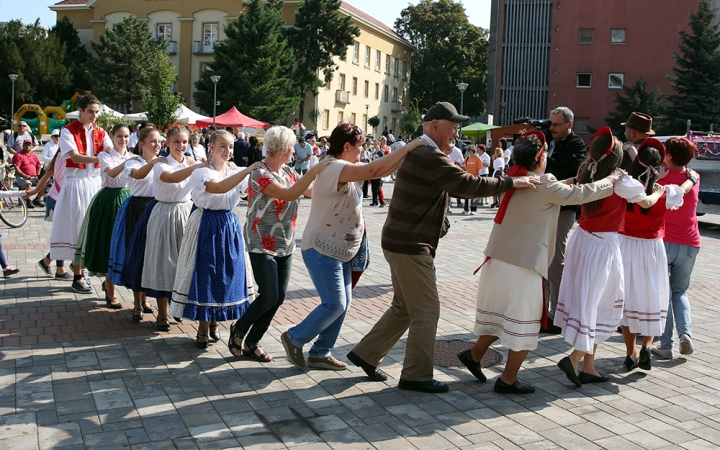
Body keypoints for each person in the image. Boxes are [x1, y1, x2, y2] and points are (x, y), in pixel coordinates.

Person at [346, 102, 538, 393]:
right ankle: (415, 375)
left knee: (404, 307)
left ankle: (365, 354)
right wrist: (512, 182)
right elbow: (469, 184)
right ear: (433, 125)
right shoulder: (428, 154)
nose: (456, 132)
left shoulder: (424, 151)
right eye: (452, 125)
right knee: (427, 310)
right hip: (410, 245)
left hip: (401, 241)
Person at [460, 130, 620, 394]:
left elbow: (560, 189)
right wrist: (611, 179)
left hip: (498, 258)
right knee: (526, 323)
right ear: (540, 157)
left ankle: (474, 355)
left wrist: (574, 178)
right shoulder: (544, 183)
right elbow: (580, 194)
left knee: (503, 318)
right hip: (523, 264)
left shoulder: (516, 176)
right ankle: (508, 379)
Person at [280, 122, 424, 372]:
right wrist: (410, 146)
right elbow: (377, 168)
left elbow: (380, 170)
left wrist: (406, 154)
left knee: (342, 304)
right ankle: (295, 337)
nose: (363, 150)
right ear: (346, 146)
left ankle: (320, 352)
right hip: (322, 249)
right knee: (334, 304)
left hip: (340, 250)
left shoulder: (343, 166)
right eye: (360, 145)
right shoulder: (336, 167)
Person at [554, 127, 662, 387]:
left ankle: (588, 366)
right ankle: (575, 357)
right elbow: (646, 202)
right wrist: (659, 191)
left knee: (589, 301)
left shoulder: (586, 170)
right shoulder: (621, 182)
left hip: (582, 239)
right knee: (604, 301)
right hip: (603, 244)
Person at [227, 126, 332, 360]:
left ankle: (252, 342)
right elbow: (289, 194)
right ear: (283, 148)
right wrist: (314, 170)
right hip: (260, 241)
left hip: (285, 241)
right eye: (292, 146)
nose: (294, 150)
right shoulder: (259, 173)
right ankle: (239, 330)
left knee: (279, 297)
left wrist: (336, 187)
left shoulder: (289, 172)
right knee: (269, 295)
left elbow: (309, 192)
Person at [170, 131, 260, 348]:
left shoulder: (235, 170)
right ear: (210, 146)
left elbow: (250, 190)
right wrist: (247, 170)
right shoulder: (202, 172)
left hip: (228, 224)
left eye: (230, 147)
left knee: (225, 273)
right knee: (206, 273)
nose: (227, 151)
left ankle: (215, 322)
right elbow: (217, 188)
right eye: (222, 146)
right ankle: (203, 326)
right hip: (205, 224)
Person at [619, 138, 697, 371]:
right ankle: (647, 347)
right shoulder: (666, 190)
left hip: (627, 244)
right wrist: (691, 179)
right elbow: (682, 190)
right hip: (652, 245)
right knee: (653, 296)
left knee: (628, 299)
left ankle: (630, 352)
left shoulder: (627, 185)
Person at [126, 127, 205, 332]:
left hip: (186, 212)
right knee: (164, 262)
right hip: (164, 214)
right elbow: (171, 178)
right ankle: (161, 313)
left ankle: (176, 306)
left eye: (185, 142)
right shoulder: (161, 164)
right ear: (167, 143)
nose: (181, 146)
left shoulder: (191, 163)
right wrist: (196, 167)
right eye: (176, 142)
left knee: (183, 262)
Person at [49, 94, 112, 294]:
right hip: (76, 184)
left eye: (96, 112)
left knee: (96, 229)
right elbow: (75, 156)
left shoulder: (101, 132)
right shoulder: (68, 131)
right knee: (77, 229)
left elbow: (113, 151)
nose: (94, 115)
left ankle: (93, 272)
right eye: (91, 111)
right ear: (81, 111)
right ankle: (78, 275)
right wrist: (101, 157)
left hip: (95, 183)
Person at [73, 124, 136, 309]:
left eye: (126, 136)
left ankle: (138, 296)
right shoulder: (105, 155)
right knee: (109, 244)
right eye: (119, 136)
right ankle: (111, 292)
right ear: (112, 136)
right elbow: (112, 173)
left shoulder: (133, 156)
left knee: (130, 246)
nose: (123, 140)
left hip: (128, 199)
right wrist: (128, 163)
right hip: (108, 200)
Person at [109, 126, 165, 322]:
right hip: (137, 208)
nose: (157, 145)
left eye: (159, 141)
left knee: (154, 255)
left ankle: (147, 299)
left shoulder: (164, 162)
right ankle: (137, 302)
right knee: (137, 254)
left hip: (157, 208)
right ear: (141, 144)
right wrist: (156, 163)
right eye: (152, 141)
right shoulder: (132, 161)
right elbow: (138, 175)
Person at [653, 138, 701, 360]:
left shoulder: (659, 179)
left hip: (664, 242)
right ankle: (686, 334)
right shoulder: (694, 177)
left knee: (664, 293)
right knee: (680, 292)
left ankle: (665, 345)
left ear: (669, 156)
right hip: (690, 243)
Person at [543, 106, 588, 333]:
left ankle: (556, 315)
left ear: (569, 124)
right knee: (543, 260)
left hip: (563, 209)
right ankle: (543, 312)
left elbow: (567, 171)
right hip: (543, 207)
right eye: (550, 124)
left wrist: (547, 172)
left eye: (556, 125)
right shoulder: (548, 141)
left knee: (555, 262)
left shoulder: (576, 145)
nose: (551, 129)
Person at [36, 151, 73, 280]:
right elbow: (48, 174)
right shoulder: (66, 156)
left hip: (57, 197)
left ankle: (49, 262)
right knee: (63, 235)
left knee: (65, 234)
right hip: (59, 198)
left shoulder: (61, 154)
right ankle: (59, 269)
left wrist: (35, 191)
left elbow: (48, 174)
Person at [12, 140, 43, 208]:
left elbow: (39, 166)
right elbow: (16, 169)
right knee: (27, 183)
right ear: (23, 146)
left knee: (43, 182)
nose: (28, 146)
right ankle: (28, 200)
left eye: (29, 145)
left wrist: (37, 175)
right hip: (21, 176)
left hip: (33, 176)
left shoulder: (34, 155)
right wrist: (25, 176)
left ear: (32, 146)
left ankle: (38, 199)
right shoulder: (18, 155)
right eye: (26, 145)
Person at [462, 145, 483, 214]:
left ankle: (474, 209)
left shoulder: (478, 159)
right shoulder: (467, 158)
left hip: (474, 178)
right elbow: (464, 167)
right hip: (467, 177)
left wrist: (478, 178)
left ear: (473, 151)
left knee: (474, 194)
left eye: (470, 151)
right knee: (466, 194)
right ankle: (466, 209)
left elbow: (479, 169)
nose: (468, 152)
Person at [370, 141, 386, 207]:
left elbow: (383, 163)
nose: (375, 145)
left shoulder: (381, 153)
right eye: (374, 144)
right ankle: (374, 201)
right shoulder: (374, 153)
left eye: (376, 144)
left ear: (379, 145)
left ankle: (382, 202)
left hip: (379, 172)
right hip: (373, 172)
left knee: (378, 188)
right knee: (373, 187)